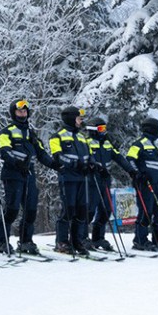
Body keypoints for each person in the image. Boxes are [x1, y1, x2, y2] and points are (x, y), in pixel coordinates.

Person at [0, 99, 57, 255]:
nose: (23, 114)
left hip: (28, 173)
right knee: (12, 209)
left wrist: (56, 165)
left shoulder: (31, 133)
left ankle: (25, 241)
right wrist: (17, 163)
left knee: (31, 209)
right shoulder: (6, 132)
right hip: (12, 173)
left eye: (25, 111)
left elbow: (41, 153)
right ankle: (1, 242)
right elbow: (5, 151)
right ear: (13, 113)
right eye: (19, 111)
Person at [83, 116, 137, 251]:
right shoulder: (87, 142)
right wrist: (95, 167)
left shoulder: (107, 144)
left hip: (104, 179)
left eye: (104, 128)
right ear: (93, 130)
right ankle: (81, 237)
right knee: (89, 210)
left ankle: (98, 237)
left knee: (106, 209)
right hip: (91, 180)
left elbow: (118, 157)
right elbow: (86, 159)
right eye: (101, 129)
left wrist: (131, 170)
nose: (103, 131)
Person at [48, 106, 93, 255]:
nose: (81, 122)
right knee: (69, 209)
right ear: (71, 119)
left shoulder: (82, 137)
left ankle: (77, 241)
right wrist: (75, 164)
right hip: (68, 178)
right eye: (79, 119)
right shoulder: (57, 136)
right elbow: (58, 156)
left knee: (81, 210)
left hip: (82, 178)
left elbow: (89, 155)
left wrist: (91, 165)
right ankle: (62, 241)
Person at [125, 117, 158, 253]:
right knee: (146, 212)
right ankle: (140, 240)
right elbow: (130, 159)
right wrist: (138, 174)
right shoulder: (139, 144)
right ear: (152, 129)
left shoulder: (154, 147)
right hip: (145, 184)